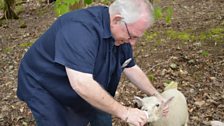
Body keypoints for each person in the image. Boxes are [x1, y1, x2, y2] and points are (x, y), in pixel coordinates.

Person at [17, 0, 168, 126]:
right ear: (116, 19)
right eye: (131, 36)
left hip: (85, 79)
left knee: (101, 109)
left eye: (137, 38)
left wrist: (156, 95)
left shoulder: (121, 36)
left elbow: (130, 67)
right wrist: (125, 112)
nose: (133, 43)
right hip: (44, 83)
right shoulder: (79, 31)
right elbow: (82, 84)